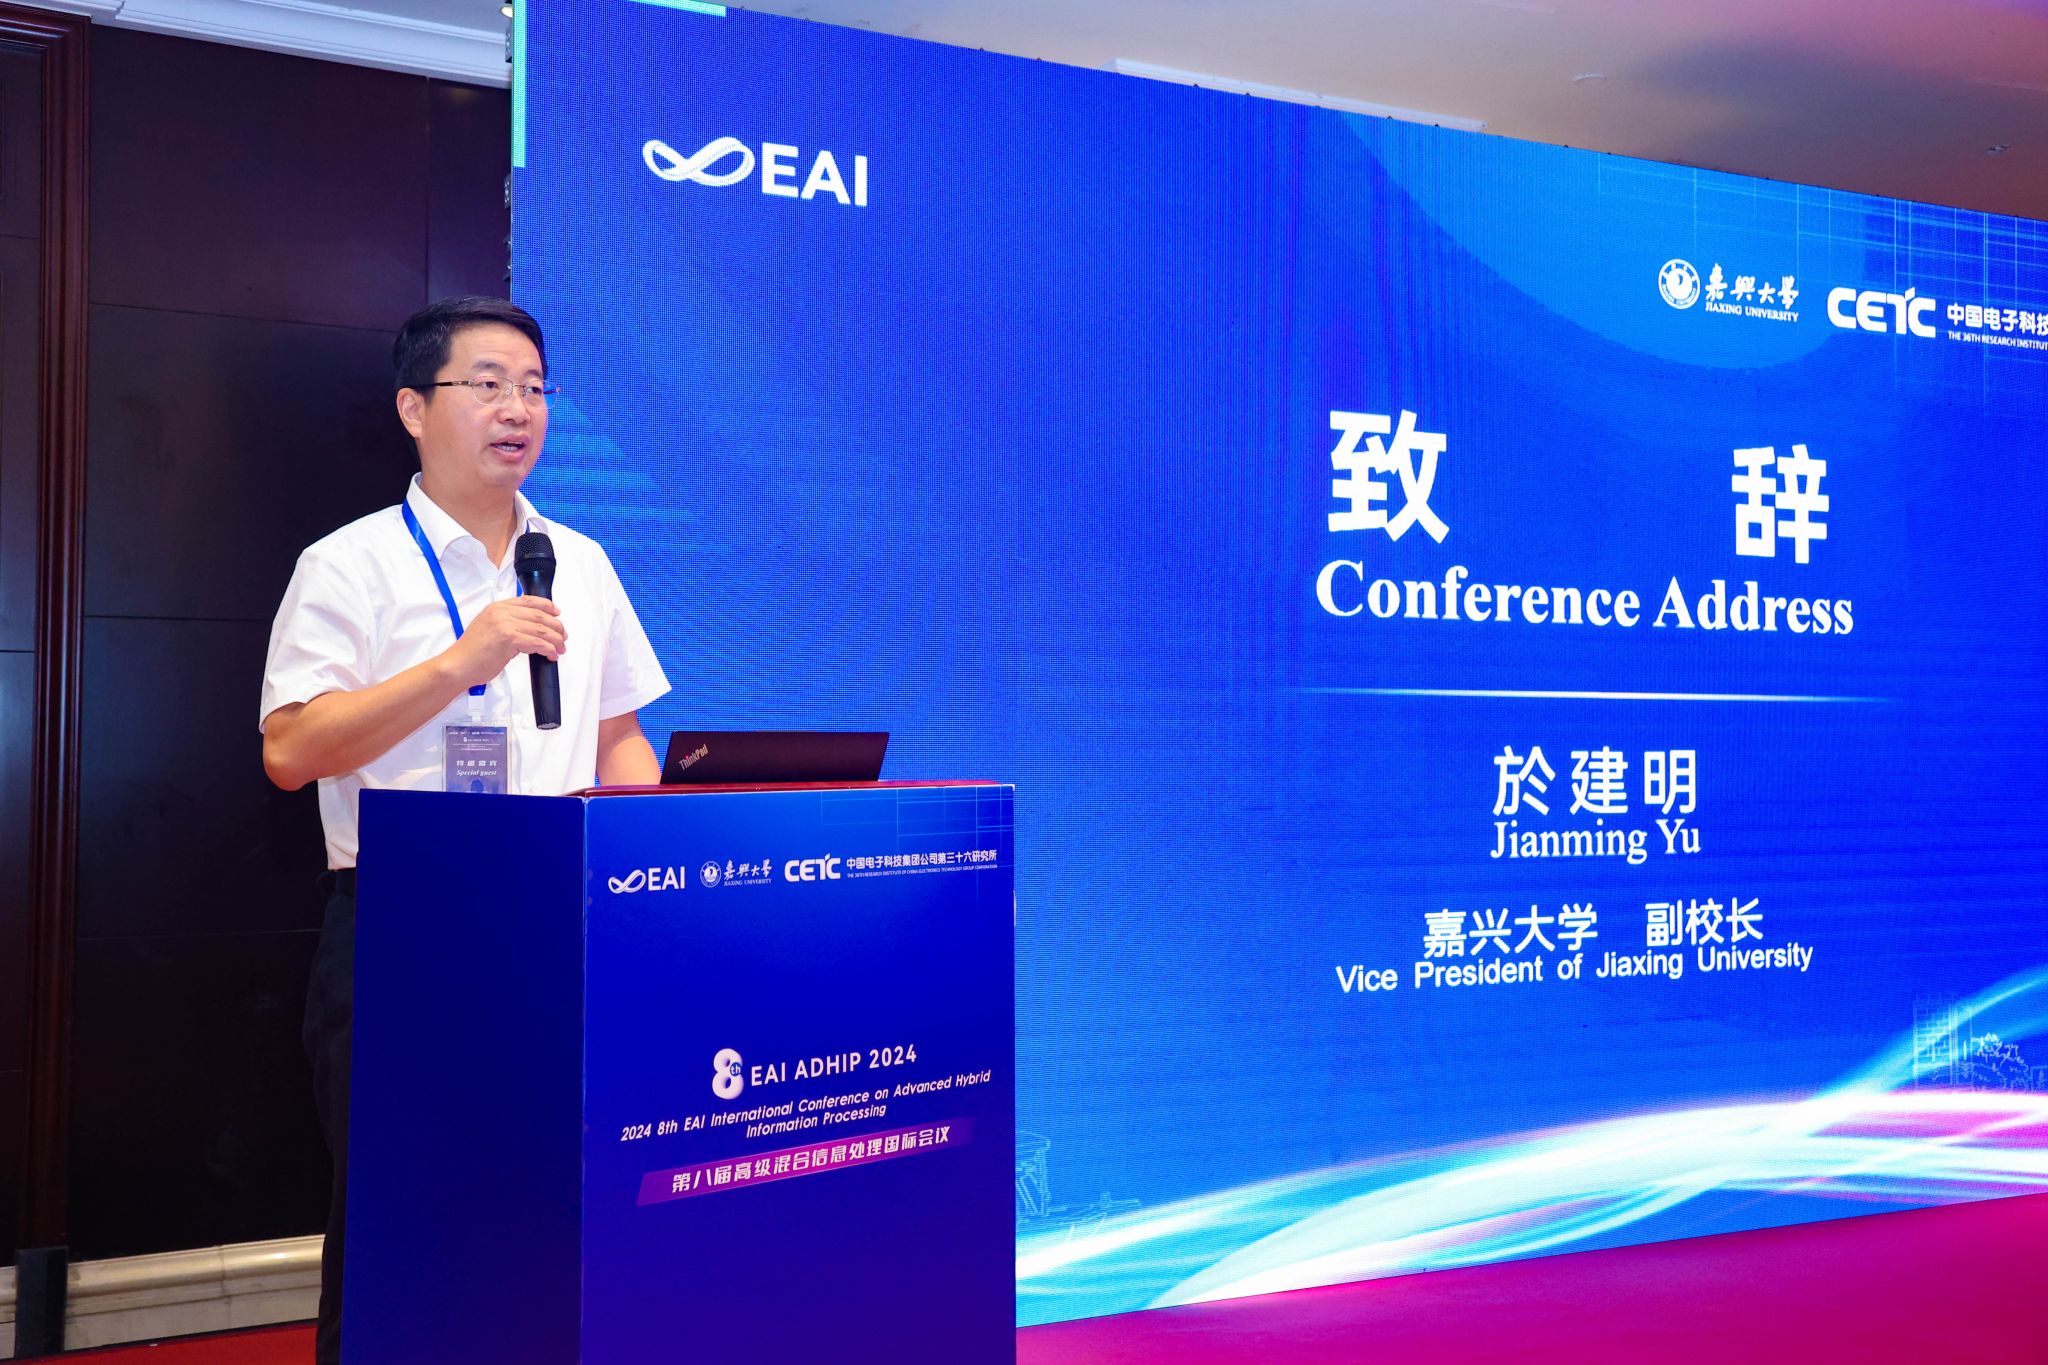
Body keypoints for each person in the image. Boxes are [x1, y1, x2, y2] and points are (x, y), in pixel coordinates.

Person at [258, 297, 670, 1364]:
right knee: (398, 1216)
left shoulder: (580, 560)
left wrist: (653, 864)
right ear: (413, 408)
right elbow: (290, 750)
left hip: (560, 924)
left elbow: (621, 738)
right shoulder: (348, 564)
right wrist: (460, 662)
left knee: (545, 1200)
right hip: (404, 927)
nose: (517, 409)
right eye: (486, 384)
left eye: (533, 387)